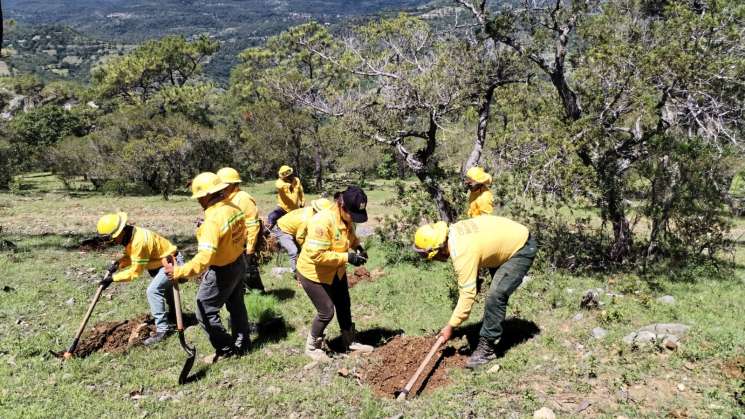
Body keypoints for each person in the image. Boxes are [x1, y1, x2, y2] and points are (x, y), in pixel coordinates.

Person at [412, 215, 538, 369]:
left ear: (437, 249)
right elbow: (477, 246)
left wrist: (451, 326)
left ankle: (487, 349)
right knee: (495, 296)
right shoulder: (453, 232)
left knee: (496, 296)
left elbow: (467, 295)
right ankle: (495, 326)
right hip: (507, 243)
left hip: (520, 248)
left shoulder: (461, 251)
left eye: (426, 255)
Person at [163, 172, 249, 363]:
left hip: (223, 270)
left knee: (204, 310)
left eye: (199, 197)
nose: (198, 201)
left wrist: (179, 271)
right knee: (236, 306)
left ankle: (226, 350)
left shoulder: (213, 219)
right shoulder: (232, 206)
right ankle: (243, 344)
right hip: (239, 262)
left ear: (205, 196)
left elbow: (205, 257)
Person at [295, 186, 372, 361]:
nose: (354, 219)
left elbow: (350, 236)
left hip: (335, 270)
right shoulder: (322, 222)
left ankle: (349, 341)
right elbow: (317, 255)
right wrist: (347, 257)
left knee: (344, 304)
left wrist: (357, 247)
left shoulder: (345, 218)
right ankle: (312, 347)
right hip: (313, 273)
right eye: (352, 214)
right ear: (341, 206)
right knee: (326, 311)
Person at [96, 212, 183, 346]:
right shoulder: (130, 235)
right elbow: (131, 256)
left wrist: (113, 278)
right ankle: (174, 316)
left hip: (173, 262)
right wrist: (118, 264)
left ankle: (163, 330)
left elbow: (135, 273)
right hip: (159, 263)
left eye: (111, 238)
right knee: (165, 290)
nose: (111, 241)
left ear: (119, 232)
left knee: (153, 291)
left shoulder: (139, 241)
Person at [217, 167, 265, 293]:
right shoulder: (225, 198)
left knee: (249, 271)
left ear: (233, 184)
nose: (221, 188)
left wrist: (250, 249)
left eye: (224, 185)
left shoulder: (243, 198)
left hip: (244, 244)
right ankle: (241, 295)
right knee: (236, 276)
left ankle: (260, 297)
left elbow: (253, 225)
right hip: (231, 244)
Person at [273, 198, 333, 280]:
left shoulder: (311, 211)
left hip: (292, 228)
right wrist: (306, 248)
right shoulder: (307, 219)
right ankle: (297, 275)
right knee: (293, 251)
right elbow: (300, 237)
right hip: (282, 230)